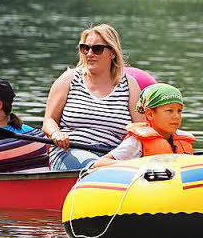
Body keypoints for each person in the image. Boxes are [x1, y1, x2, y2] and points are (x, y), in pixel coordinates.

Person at [42, 23, 142, 170]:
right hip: (70, 152)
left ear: (112, 53)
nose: (89, 54)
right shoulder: (68, 78)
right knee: (99, 166)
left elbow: (141, 128)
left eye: (97, 49)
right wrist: (56, 133)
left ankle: (114, 167)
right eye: (85, 48)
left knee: (109, 165)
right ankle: (110, 168)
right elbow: (49, 120)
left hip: (113, 156)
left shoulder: (129, 85)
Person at [89, 83, 194, 170]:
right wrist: (138, 167)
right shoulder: (136, 142)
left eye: (179, 111)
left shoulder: (181, 140)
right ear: (150, 114)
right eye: (169, 111)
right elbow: (100, 163)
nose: (176, 116)